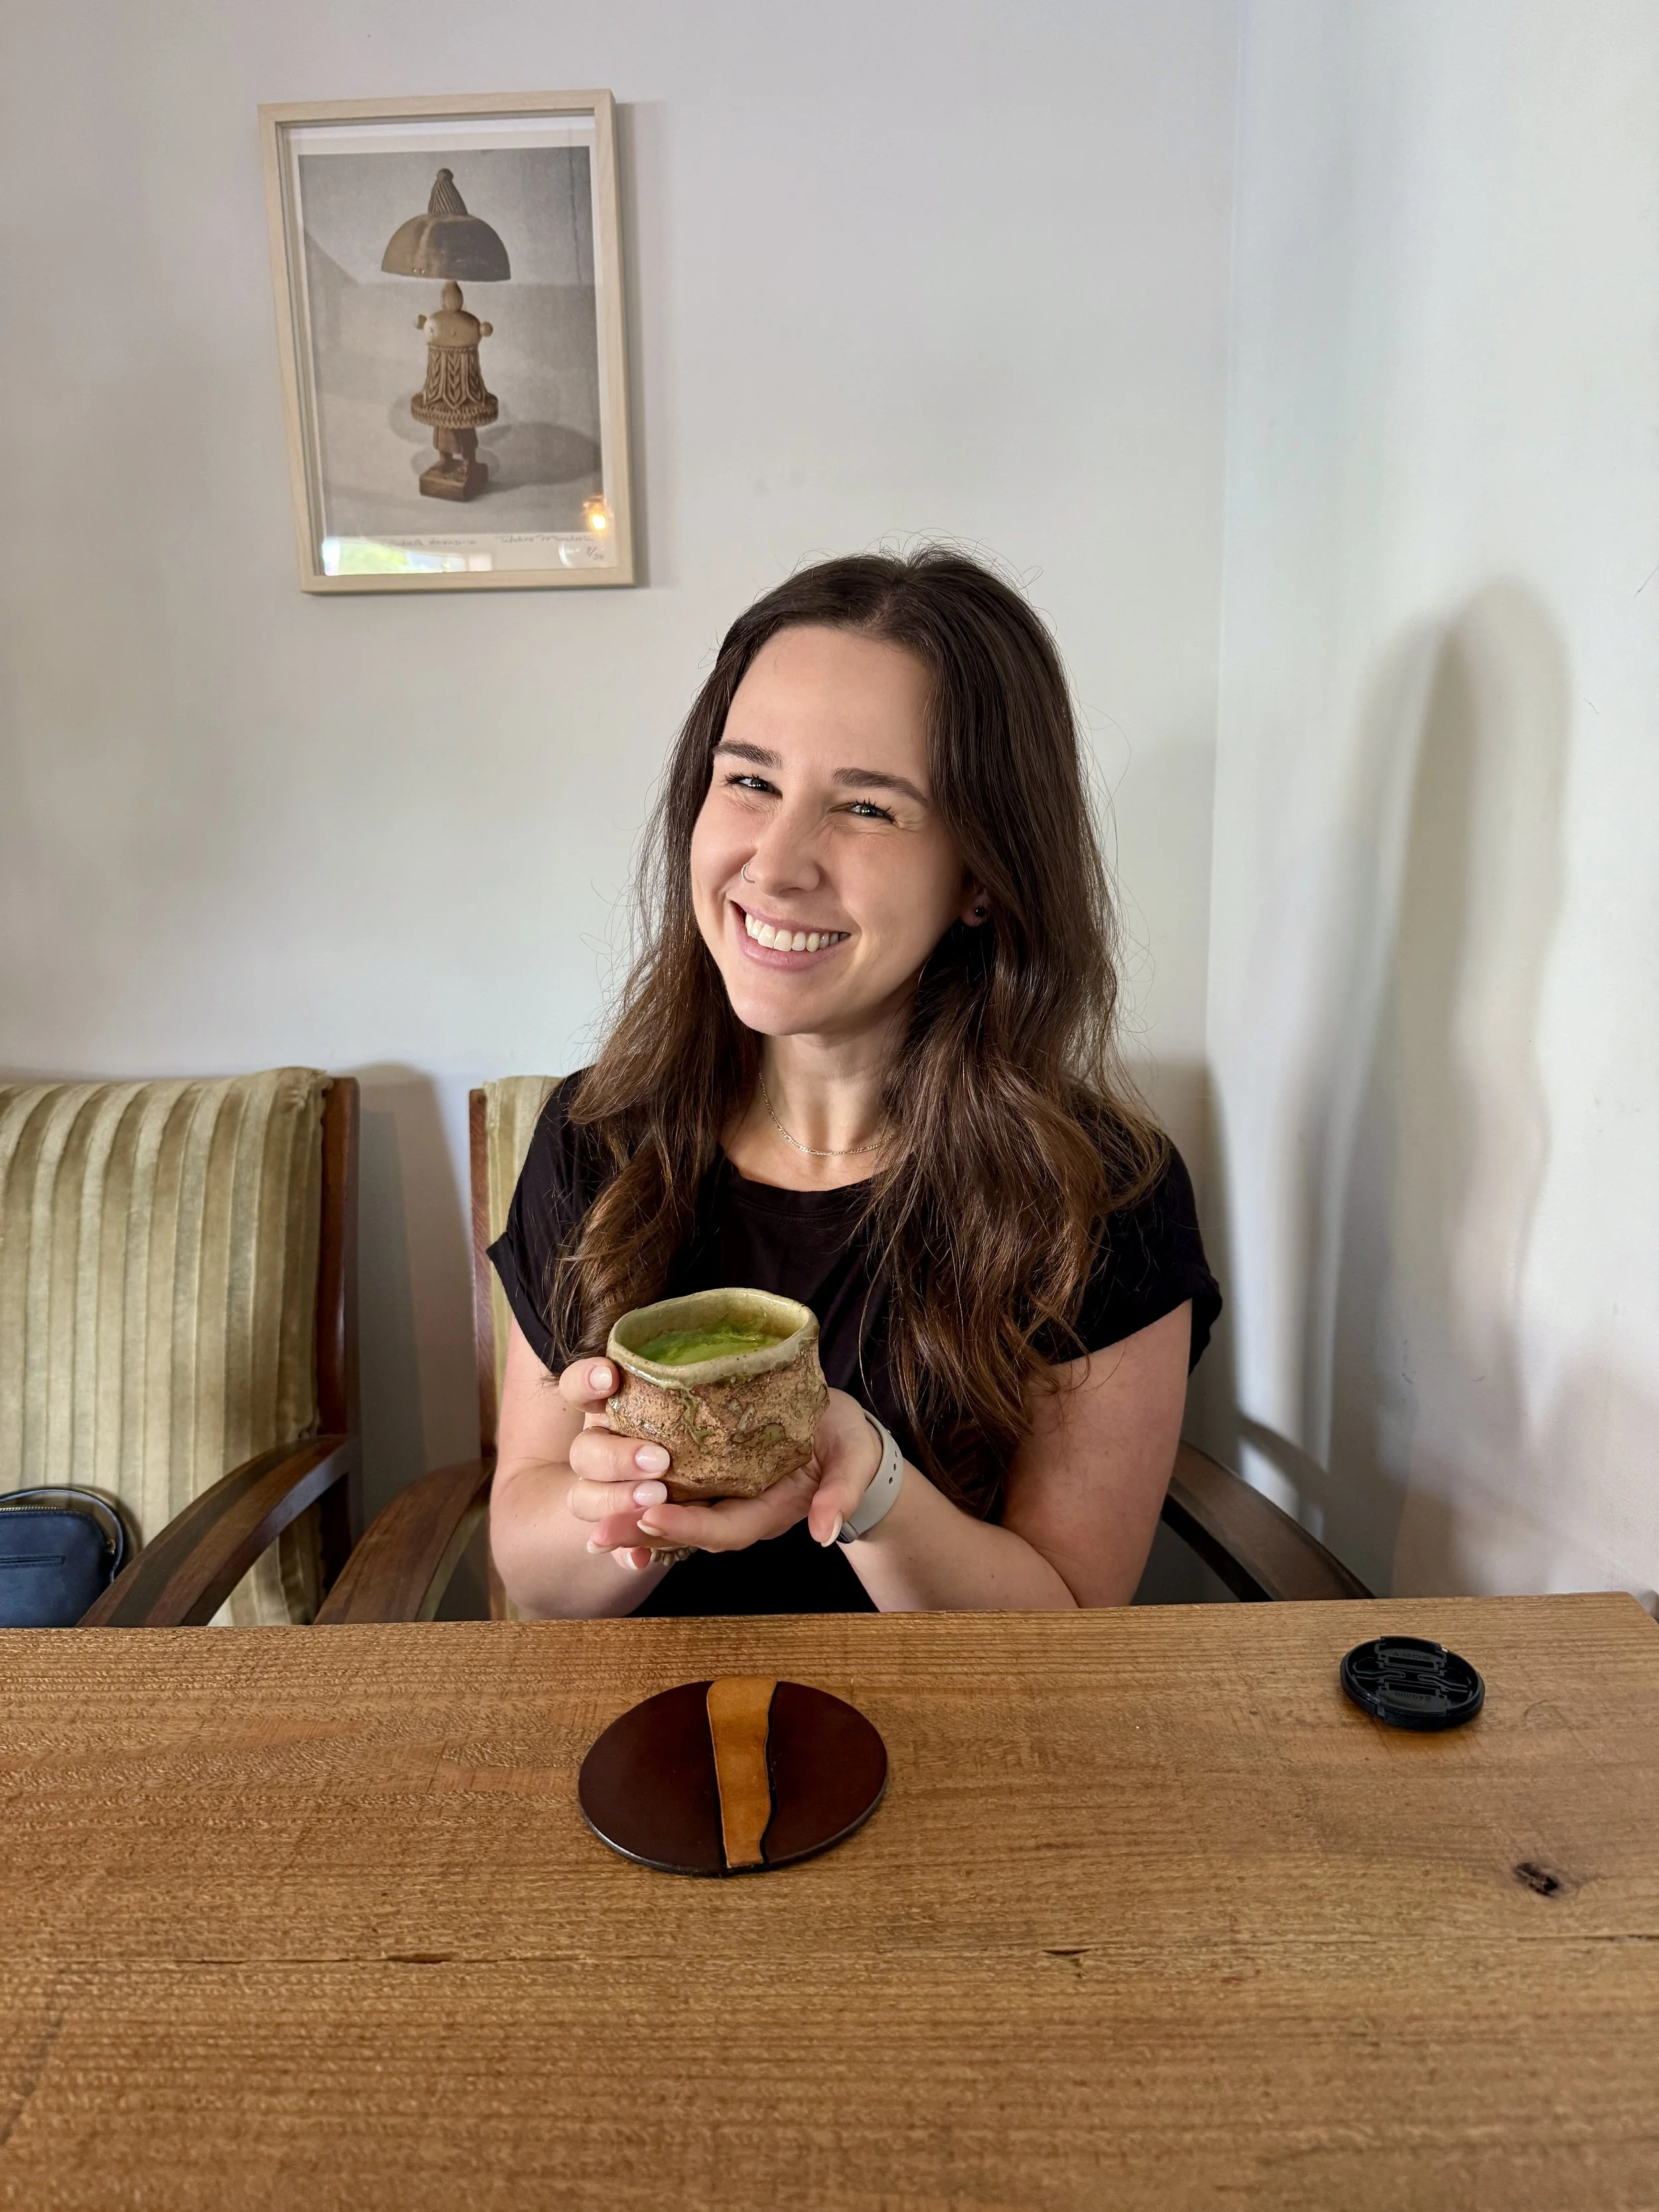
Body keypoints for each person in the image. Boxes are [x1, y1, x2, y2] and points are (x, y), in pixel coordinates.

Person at [488, 548, 1221, 1618]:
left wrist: (857, 1469)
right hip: (641, 1754)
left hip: (961, 1748)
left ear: (980, 875)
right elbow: (532, 1571)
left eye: (868, 808)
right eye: (750, 781)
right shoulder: (599, 1134)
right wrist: (618, 1496)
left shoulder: (1103, 1197)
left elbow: (1064, 1626)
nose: (776, 864)